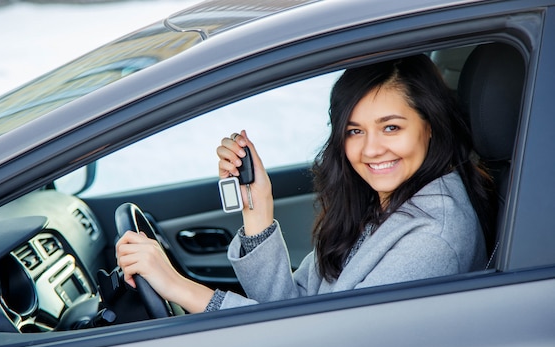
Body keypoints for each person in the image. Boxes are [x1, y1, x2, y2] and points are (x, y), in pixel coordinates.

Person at [115, 54, 495, 314]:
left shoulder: (433, 236)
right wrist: (257, 209)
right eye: (354, 131)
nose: (371, 149)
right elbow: (291, 307)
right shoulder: (382, 201)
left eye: (391, 127)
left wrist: (178, 287)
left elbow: (317, 343)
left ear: (429, 125)